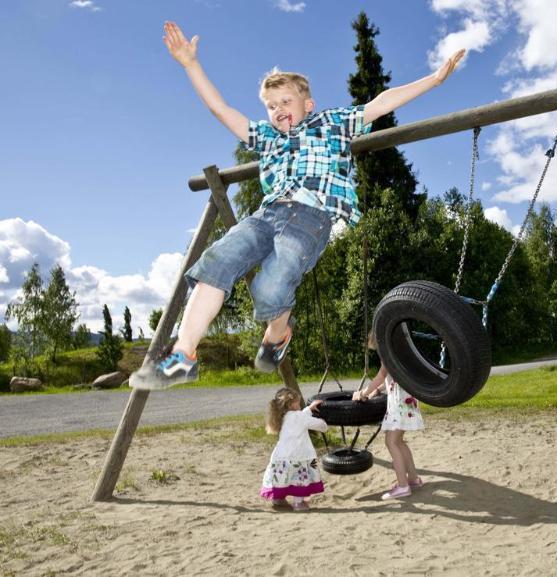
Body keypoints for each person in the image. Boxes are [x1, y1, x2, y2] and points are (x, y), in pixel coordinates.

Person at [130, 21, 465, 389]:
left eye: (285, 102)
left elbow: (380, 103)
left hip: (310, 216)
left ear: (308, 104)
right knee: (216, 261)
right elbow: (221, 110)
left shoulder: (332, 122)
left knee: (270, 289)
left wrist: (433, 79)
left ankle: (278, 334)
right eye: (271, 106)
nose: (278, 110)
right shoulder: (267, 137)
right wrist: (191, 64)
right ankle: (184, 356)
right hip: (267, 214)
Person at [353, 333, 424, 500]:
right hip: (406, 402)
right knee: (399, 441)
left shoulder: (388, 352)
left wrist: (363, 393)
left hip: (399, 404)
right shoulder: (401, 351)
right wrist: (377, 391)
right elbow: (395, 378)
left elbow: (381, 375)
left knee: (391, 442)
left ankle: (402, 486)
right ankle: (413, 479)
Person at [261, 387, 328, 511]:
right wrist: (323, 423)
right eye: (298, 401)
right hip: (299, 456)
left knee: (283, 478)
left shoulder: (283, 416)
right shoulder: (299, 417)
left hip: (281, 456)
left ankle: (278, 499)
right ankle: (298, 503)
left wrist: (309, 409)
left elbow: (299, 417)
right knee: (299, 478)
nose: (300, 403)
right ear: (291, 404)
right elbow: (319, 426)